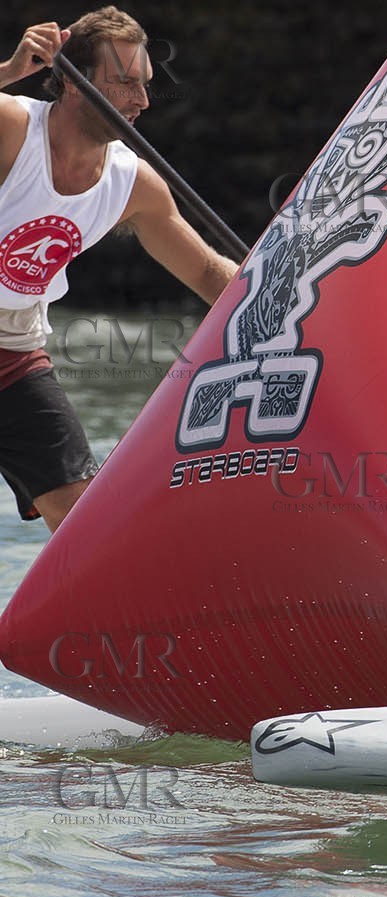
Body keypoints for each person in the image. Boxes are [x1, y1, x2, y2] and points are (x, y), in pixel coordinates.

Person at [0, 8, 237, 531]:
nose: (142, 100)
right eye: (126, 83)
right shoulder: (13, 126)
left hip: (11, 352)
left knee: (83, 519)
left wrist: (293, 309)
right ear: (73, 82)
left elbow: (206, 273)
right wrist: (9, 72)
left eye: (145, 84)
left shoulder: (134, 184)